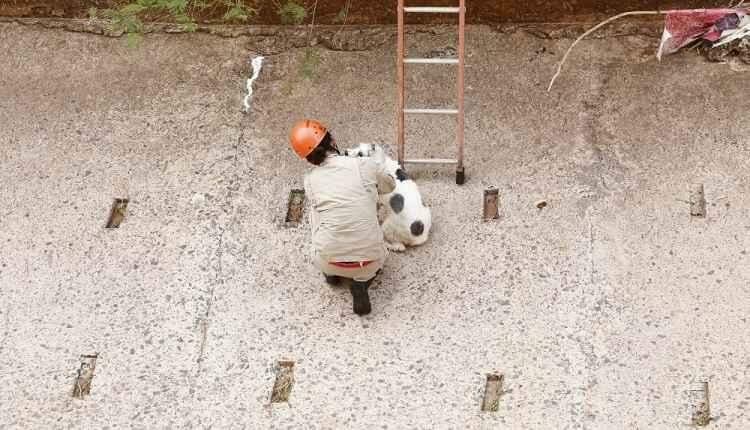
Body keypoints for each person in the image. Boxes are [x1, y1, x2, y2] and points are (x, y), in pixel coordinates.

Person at [290, 119, 396, 315]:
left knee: (318, 210)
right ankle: (361, 283)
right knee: (368, 201)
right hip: (370, 261)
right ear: (332, 141)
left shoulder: (310, 181)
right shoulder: (364, 165)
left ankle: (332, 273)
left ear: (307, 158)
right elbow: (390, 185)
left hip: (327, 259)